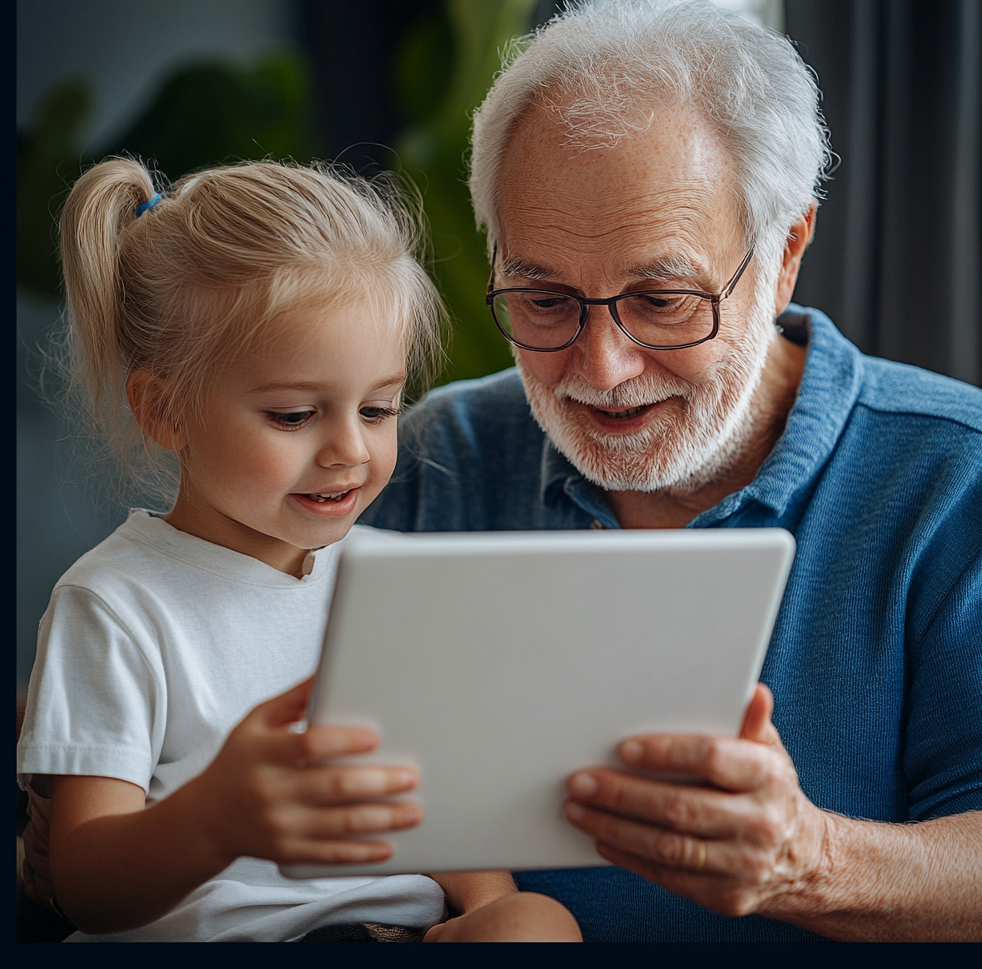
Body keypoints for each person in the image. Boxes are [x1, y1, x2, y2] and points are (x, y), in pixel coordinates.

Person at [361, 0, 982, 942]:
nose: (601, 370)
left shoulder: (962, 476)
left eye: (662, 300)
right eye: (542, 299)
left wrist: (811, 861)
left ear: (784, 255)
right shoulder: (425, 458)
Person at [16, 158, 582, 943]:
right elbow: (79, 882)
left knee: (533, 924)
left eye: (380, 408)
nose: (349, 450)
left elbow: (440, 805)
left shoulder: (394, 580)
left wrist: (489, 905)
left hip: (390, 934)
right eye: (292, 415)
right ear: (163, 410)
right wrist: (215, 819)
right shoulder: (115, 602)